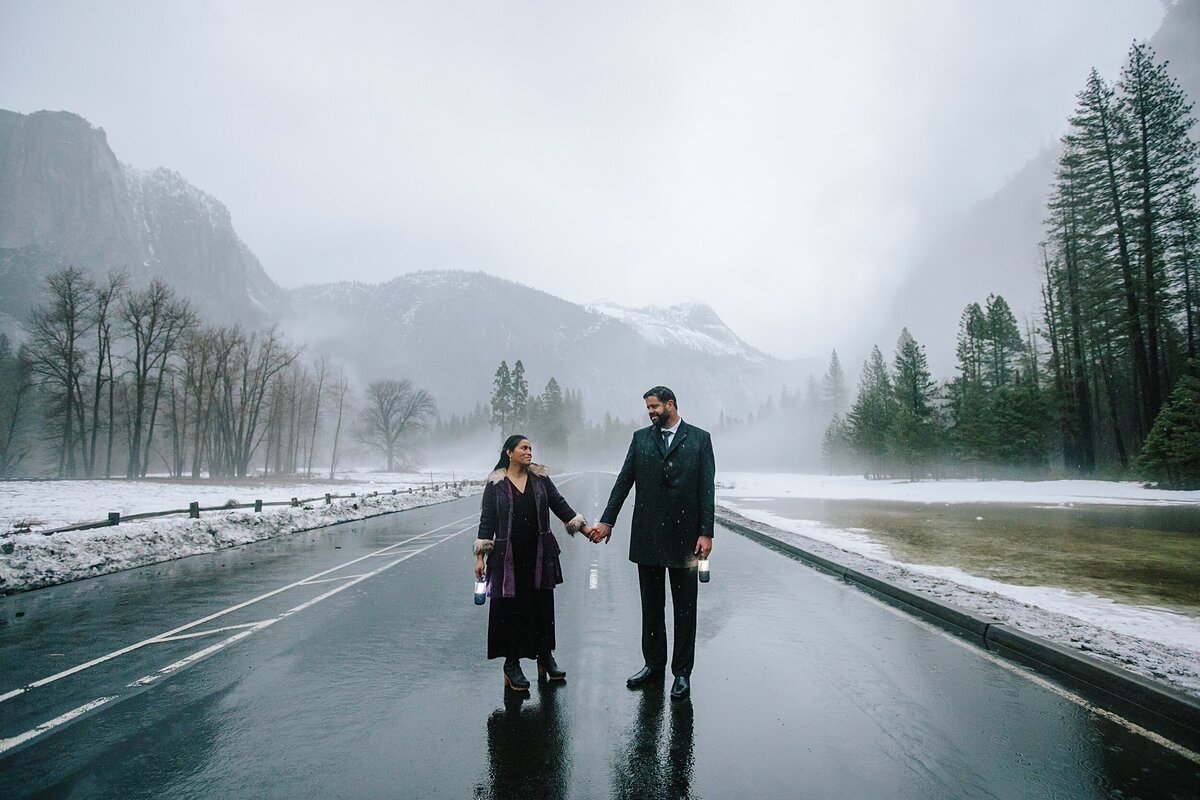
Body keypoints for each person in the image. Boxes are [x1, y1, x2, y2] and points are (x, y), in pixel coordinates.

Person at [590, 386, 715, 700]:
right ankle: (653, 665)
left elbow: (706, 490)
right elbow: (623, 481)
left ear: (670, 405)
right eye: (647, 408)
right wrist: (607, 520)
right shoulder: (640, 439)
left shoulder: (700, 440)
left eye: (654, 406)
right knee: (652, 608)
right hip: (648, 537)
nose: (650, 412)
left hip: (687, 540)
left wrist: (706, 532)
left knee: (685, 610)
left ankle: (682, 674)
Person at [474, 434, 594, 691]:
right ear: (509, 452)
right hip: (508, 557)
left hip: (539, 553)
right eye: (523, 448)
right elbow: (487, 520)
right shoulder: (496, 484)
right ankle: (511, 664)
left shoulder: (540, 479)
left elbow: (560, 505)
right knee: (509, 611)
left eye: (530, 448)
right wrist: (480, 556)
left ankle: (545, 657)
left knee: (541, 607)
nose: (529, 452)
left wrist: (584, 530)